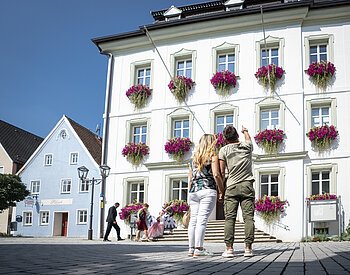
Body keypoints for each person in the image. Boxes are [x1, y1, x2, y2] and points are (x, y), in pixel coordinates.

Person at [219, 125, 255, 257]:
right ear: (237, 136)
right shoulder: (247, 146)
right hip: (247, 185)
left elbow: (222, 172)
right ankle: (248, 249)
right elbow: (248, 139)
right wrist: (245, 130)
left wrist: (221, 190)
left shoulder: (223, 150)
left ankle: (229, 249)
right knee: (248, 218)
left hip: (231, 186)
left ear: (225, 138)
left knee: (229, 219)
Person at [188, 134, 225, 257]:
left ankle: (191, 248)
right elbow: (216, 174)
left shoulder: (193, 158)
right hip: (207, 189)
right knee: (202, 220)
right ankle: (199, 248)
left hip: (193, 191)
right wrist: (221, 190)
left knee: (193, 220)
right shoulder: (212, 156)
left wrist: (189, 193)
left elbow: (190, 179)